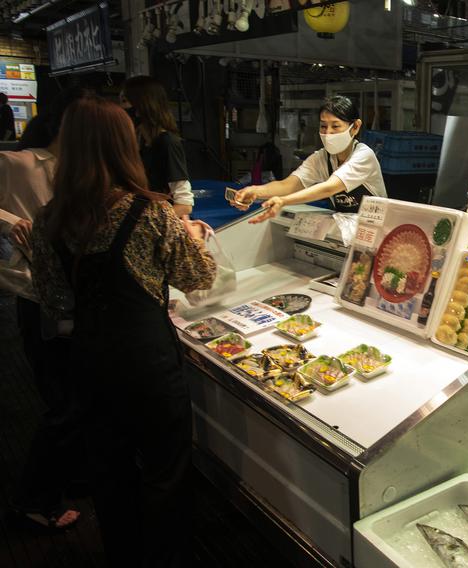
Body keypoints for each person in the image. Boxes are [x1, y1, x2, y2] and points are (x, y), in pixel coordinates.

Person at [31, 96, 216, 565]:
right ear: (124, 146)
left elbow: (54, 301)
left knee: (108, 473)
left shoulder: (48, 219)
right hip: (149, 364)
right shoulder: (150, 211)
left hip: (90, 361)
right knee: (164, 471)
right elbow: (197, 278)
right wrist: (194, 237)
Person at [1, 86, 93, 529]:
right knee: (64, 403)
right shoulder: (20, 161)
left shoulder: (79, 170)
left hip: (71, 294)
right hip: (36, 293)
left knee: (76, 395)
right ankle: (33, 499)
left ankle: (71, 476)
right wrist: (9, 221)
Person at [232, 95, 386, 221]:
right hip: (348, 226)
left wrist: (283, 201)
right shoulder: (321, 158)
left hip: (376, 227)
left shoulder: (363, 155)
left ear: (356, 127)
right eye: (323, 126)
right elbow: (289, 185)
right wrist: (255, 191)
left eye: (336, 126)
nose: (328, 133)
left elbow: (329, 187)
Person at [121, 75, 194, 217]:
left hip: (159, 231)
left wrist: (145, 223)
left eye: (125, 101)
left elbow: (184, 205)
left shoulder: (167, 143)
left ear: (142, 105)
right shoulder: (137, 142)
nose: (120, 108)